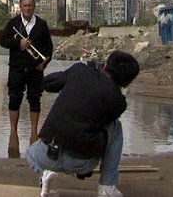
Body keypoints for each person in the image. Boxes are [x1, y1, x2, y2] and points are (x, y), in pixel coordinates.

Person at [25, 50, 140, 197]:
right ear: (127, 82)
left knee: (29, 153)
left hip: (46, 156)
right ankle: (107, 186)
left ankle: (45, 173)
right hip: (82, 162)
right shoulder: (119, 103)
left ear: (105, 65)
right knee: (114, 126)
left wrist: (70, 77)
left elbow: (48, 83)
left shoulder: (80, 70)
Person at [0, 0, 53, 156]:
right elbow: (3, 41)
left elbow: (49, 49)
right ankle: (13, 133)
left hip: (35, 71)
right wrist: (19, 43)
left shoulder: (42, 25)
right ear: (20, 7)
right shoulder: (13, 23)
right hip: (16, 69)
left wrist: (44, 63)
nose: (28, 8)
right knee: (14, 98)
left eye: (30, 6)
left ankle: (33, 133)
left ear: (34, 7)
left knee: (35, 99)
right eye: (25, 6)